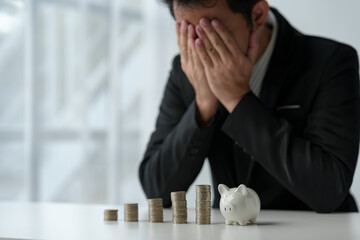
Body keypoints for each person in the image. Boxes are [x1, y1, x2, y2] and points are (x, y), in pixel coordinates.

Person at [138, 0, 360, 213]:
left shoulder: (330, 62)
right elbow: (156, 190)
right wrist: (204, 105)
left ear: (257, 16)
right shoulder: (186, 70)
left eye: (214, 32)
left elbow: (330, 189)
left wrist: (237, 99)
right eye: (190, 32)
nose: (201, 47)